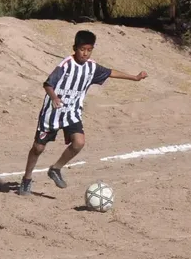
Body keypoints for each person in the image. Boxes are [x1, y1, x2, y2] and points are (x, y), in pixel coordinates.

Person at [19, 30, 147, 196]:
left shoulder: (91, 67)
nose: (85, 53)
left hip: (72, 112)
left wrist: (135, 78)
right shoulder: (65, 65)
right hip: (53, 113)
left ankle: (55, 169)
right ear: (75, 48)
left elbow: (110, 72)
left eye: (89, 50)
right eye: (82, 49)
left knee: (79, 142)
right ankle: (27, 179)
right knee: (38, 148)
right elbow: (48, 84)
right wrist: (54, 98)